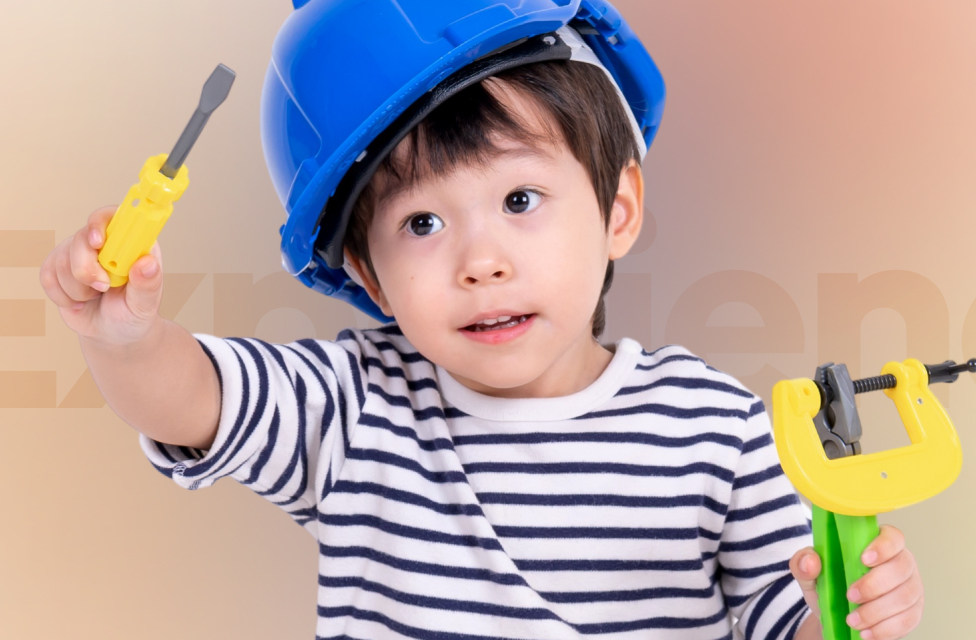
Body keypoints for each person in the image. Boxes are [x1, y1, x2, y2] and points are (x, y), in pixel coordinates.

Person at [39, 1, 923, 638]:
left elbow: (787, 619)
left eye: (521, 198)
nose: (480, 259)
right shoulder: (353, 408)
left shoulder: (719, 432)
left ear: (617, 208)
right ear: (370, 278)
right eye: (421, 223)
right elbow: (194, 399)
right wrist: (124, 338)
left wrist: (854, 613)